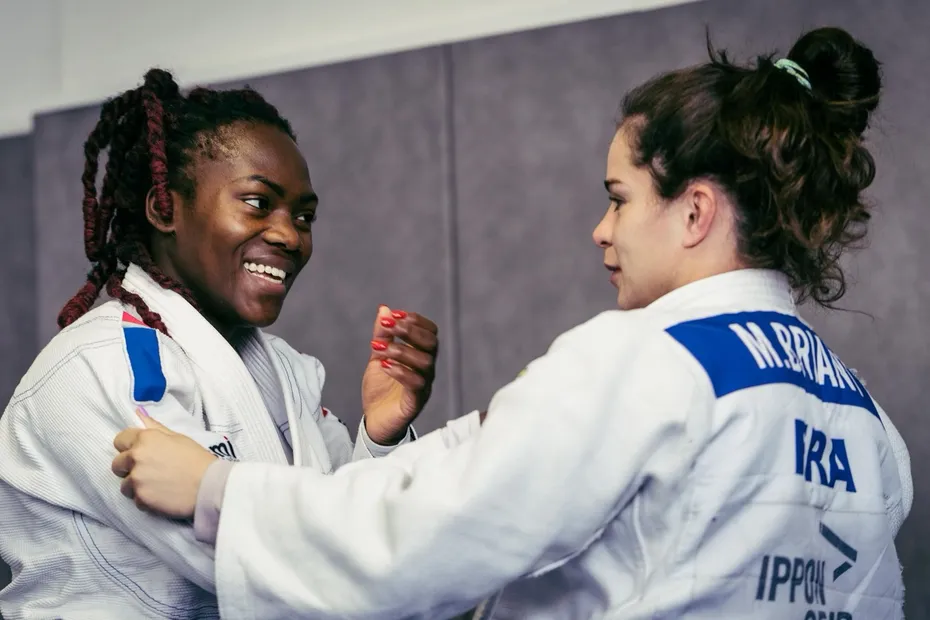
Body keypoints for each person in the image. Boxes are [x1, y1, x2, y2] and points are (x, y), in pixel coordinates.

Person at [113, 27, 913, 619]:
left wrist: (217, 490)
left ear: (695, 210)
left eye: (619, 197)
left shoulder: (642, 363)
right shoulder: (863, 417)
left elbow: (427, 539)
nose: (603, 230)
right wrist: (387, 441)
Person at [0, 69, 442, 619]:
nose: (290, 235)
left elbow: (353, 523)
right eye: (258, 203)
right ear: (165, 209)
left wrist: (380, 436)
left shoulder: (282, 368)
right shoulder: (98, 366)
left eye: (304, 216)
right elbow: (263, 573)